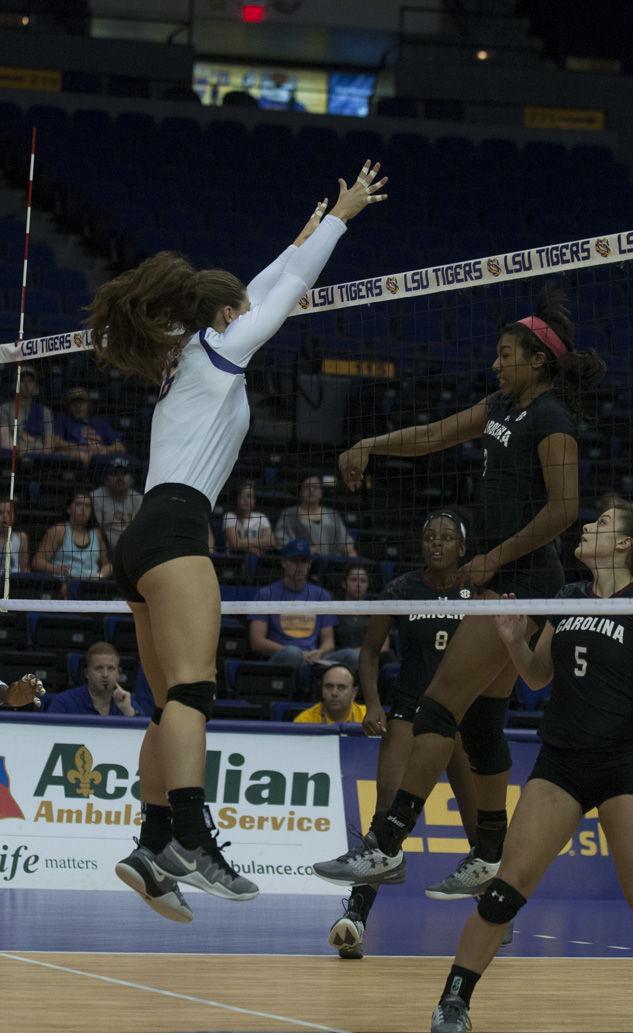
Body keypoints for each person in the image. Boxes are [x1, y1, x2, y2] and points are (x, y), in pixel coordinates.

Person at [84, 160, 387, 921]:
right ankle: (193, 837)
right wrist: (342, 219)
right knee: (192, 691)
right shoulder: (222, 349)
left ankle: (152, 845)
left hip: (142, 537)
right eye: (239, 307)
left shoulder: (193, 353)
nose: (248, 309)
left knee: (164, 706)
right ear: (225, 314)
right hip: (178, 525)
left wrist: (302, 236)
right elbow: (280, 291)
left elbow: (269, 277)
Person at [311, 284, 605, 893]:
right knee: (480, 724)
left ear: (537, 360)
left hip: (522, 580)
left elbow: (566, 510)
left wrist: (490, 558)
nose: (496, 364)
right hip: (501, 578)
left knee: (437, 707)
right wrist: (370, 444)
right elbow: (433, 434)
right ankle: (492, 857)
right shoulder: (500, 407)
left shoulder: (553, 418)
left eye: (505, 354)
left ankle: (387, 845)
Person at [430, 498, 633, 1033]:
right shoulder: (565, 598)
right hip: (560, 762)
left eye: (603, 524)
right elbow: (538, 677)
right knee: (504, 890)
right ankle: (453, 1003)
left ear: (625, 545)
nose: (589, 527)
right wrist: (516, 642)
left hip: (623, 762)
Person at [319, 512, 508, 957]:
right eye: (429, 537)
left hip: (460, 716)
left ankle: (495, 914)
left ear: (463, 547)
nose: (436, 543)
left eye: (446, 537)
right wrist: (374, 704)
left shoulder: (476, 593)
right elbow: (368, 652)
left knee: (476, 822)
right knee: (386, 814)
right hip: (408, 711)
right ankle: (355, 917)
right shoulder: (402, 589)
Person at [249, 539, 358, 673]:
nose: (299, 565)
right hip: (284, 657)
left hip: (313, 659)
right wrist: (298, 653)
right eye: (294, 560)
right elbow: (257, 642)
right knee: (293, 654)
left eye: (304, 561)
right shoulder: (265, 594)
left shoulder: (322, 596)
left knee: (351, 656)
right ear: (284, 562)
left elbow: (329, 641)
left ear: (309, 564)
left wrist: (320, 652)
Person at [32, 490, 113, 581]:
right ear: (68, 509)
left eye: (87, 506)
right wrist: (55, 568)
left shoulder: (97, 533)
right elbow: (37, 562)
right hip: (63, 583)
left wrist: (99, 576)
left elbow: (108, 565)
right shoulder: (58, 531)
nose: (83, 509)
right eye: (78, 504)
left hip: (90, 585)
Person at [47, 642, 145, 717]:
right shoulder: (64, 703)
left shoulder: (128, 702)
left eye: (111, 668)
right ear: (87, 673)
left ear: (118, 673)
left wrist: (128, 712)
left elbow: (145, 735)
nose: (105, 675)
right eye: (99, 668)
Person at [275, 474, 357, 557]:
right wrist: (305, 549)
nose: (311, 490)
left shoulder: (333, 515)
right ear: (299, 491)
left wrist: (351, 553)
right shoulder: (288, 514)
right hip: (299, 561)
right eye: (307, 487)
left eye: (315, 487)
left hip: (331, 564)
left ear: (321, 492)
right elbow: (280, 539)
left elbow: (345, 542)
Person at [332, 563, 391, 666]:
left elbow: (384, 647)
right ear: (344, 583)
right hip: (340, 657)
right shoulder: (333, 610)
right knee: (352, 656)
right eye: (354, 580)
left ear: (368, 585)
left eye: (363, 581)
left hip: (369, 657)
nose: (358, 584)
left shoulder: (375, 612)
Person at [53, 386, 126, 465]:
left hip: (102, 460)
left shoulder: (101, 423)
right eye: (74, 403)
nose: (78, 406)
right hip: (75, 459)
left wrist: (102, 449)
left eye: (82, 402)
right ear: (68, 406)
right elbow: (56, 443)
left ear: (88, 404)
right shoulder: (62, 419)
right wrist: (85, 449)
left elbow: (120, 447)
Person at [0, 365, 59, 456]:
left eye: (30, 381)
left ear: (36, 386)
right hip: (15, 457)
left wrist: (39, 457)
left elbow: (49, 444)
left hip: (40, 458)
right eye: (22, 381)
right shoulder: (4, 409)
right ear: (14, 385)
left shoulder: (45, 411)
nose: (27, 385)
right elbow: (6, 443)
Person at [91, 457, 143, 551]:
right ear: (106, 479)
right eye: (114, 473)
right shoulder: (95, 497)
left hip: (133, 550)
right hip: (104, 550)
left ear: (132, 479)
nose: (120, 478)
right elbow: (97, 530)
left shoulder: (139, 499)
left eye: (124, 473)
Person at [294, 663, 366, 724]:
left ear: (354, 692)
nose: (334, 693)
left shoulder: (368, 717)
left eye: (341, 687)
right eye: (329, 687)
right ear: (322, 689)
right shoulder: (304, 721)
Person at [222, 479, 274, 554]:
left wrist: (241, 542)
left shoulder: (261, 517)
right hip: (234, 559)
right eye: (241, 496)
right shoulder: (230, 516)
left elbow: (270, 541)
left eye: (249, 496)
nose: (246, 500)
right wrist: (256, 549)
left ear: (254, 500)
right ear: (236, 499)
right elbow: (234, 543)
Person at [0, 499, 30, 573]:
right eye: (0, 513)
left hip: (15, 580)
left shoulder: (21, 537)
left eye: (9, 513)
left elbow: (24, 567)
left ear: (14, 517)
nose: (4, 516)